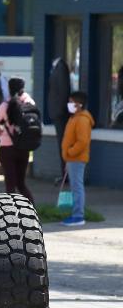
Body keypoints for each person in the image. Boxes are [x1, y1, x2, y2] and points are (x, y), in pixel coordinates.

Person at [0, 77, 35, 203]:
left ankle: (12, 216)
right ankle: (32, 212)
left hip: (7, 149)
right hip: (24, 148)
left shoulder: (5, 105)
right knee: (21, 184)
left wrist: (2, 133)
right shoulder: (30, 103)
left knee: (10, 185)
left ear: (9, 89)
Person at [61, 91, 94, 227]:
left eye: (71, 102)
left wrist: (70, 152)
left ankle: (78, 216)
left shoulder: (82, 120)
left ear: (78, 104)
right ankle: (76, 213)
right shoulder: (74, 118)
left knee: (77, 187)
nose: (69, 104)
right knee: (75, 187)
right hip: (72, 159)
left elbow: (82, 141)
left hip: (77, 158)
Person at [47, 56, 71, 178]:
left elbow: (63, 90)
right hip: (57, 112)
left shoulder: (60, 68)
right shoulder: (57, 68)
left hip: (60, 113)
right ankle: (65, 173)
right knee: (62, 143)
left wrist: (61, 110)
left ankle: (66, 174)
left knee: (63, 143)